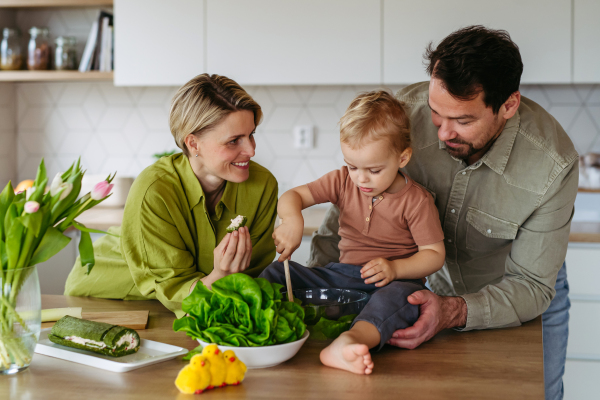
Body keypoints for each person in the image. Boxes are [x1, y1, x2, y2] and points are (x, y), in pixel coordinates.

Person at [309, 26, 577, 400]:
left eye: (463, 121)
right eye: (437, 114)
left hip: (514, 300)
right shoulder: (403, 115)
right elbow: (349, 209)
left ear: (508, 105)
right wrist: (322, 294)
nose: (441, 134)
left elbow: (532, 285)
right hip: (421, 293)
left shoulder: (551, 164)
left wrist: (453, 311)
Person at [260, 90, 446, 375]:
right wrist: (292, 220)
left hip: (393, 283)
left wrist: (395, 269)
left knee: (402, 300)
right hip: (342, 276)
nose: (361, 178)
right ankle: (258, 329)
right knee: (275, 272)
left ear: (403, 157)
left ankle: (350, 342)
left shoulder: (417, 201)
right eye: (352, 166)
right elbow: (293, 196)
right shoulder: (342, 180)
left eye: (373, 169)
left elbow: (434, 255)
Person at [64, 74, 278, 318]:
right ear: (193, 144)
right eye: (234, 141)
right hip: (109, 297)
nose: (251, 150)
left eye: (251, 134)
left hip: (201, 302)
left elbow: (251, 277)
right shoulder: (154, 190)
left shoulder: (262, 186)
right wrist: (220, 275)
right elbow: (172, 289)